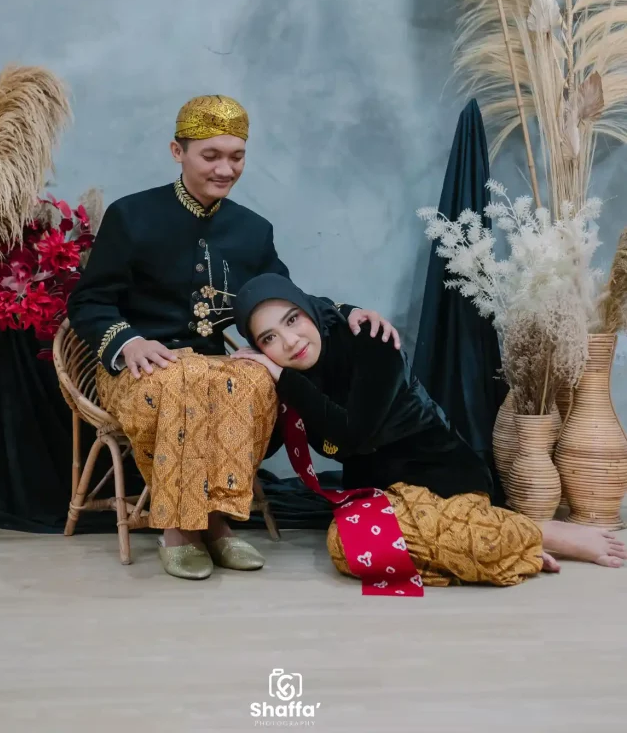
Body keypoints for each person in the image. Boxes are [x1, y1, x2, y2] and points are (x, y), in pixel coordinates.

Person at [68, 95, 400, 580]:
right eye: (211, 155)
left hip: (210, 366)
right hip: (138, 368)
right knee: (184, 381)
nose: (225, 169)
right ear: (177, 152)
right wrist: (128, 342)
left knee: (254, 380)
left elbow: (284, 297)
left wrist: (347, 312)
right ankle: (181, 531)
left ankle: (217, 522)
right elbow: (88, 301)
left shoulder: (252, 230)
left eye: (237, 157)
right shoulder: (131, 215)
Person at [233, 274, 627, 587]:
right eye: (269, 338)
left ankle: (536, 532)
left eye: (292, 320)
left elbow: (355, 433)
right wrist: (248, 388)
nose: (290, 341)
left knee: (384, 539)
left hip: (441, 479)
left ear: (307, 309)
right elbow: (265, 447)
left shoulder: (369, 339)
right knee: (347, 546)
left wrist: (283, 379)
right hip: (382, 497)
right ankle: (496, 540)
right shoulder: (289, 378)